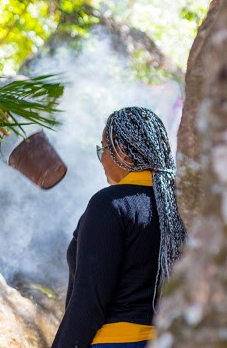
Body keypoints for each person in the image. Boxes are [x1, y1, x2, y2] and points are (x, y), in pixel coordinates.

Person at [52, 106, 187, 348]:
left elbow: (89, 302)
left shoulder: (111, 204)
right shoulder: (179, 208)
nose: (102, 158)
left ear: (123, 153)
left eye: (103, 148)